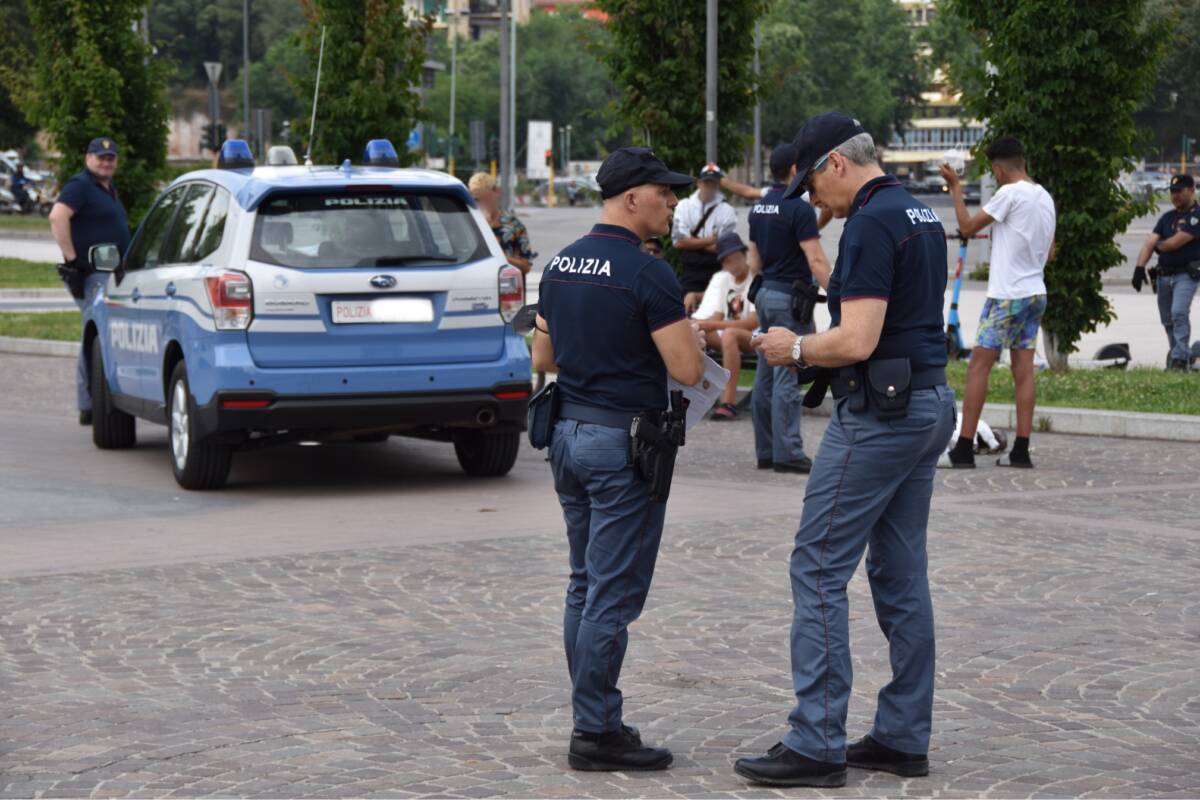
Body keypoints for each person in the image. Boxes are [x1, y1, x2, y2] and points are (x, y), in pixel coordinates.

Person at [735, 113, 955, 788]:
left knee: (819, 563)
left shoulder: (868, 224)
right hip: (926, 402)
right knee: (899, 571)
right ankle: (901, 734)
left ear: (836, 164)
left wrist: (792, 348)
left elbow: (857, 339)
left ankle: (817, 740)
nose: (811, 201)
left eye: (811, 183)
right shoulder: (919, 214)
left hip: (881, 415)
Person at [530, 146, 703, 772]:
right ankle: (595, 730)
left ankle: (595, 718)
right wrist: (689, 337)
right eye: (666, 192)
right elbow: (685, 368)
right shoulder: (646, 272)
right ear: (633, 197)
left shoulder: (560, 263)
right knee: (610, 593)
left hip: (569, 436)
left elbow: (544, 358)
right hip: (622, 445)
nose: (674, 202)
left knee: (583, 584)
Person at [940, 137, 1056, 469]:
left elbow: (966, 226)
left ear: (998, 169)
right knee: (1023, 370)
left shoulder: (1009, 193)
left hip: (1007, 294)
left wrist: (955, 188)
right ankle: (1021, 450)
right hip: (1036, 293)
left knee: (979, 366)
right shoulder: (1044, 197)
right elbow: (1049, 251)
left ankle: (963, 448)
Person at [748, 143, 834, 473]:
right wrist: (837, 294)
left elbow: (754, 259)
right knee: (789, 369)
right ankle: (789, 452)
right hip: (791, 298)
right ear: (795, 171)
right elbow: (815, 258)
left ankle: (766, 450)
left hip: (766, 292)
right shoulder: (797, 209)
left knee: (765, 375)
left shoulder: (760, 208)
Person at [49, 137, 131, 426]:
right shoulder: (80, 185)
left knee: (96, 335)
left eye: (110, 157)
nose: (106, 162)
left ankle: (93, 401)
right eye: (100, 157)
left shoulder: (106, 189)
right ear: (88, 158)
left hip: (109, 273)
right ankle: (89, 404)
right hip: (93, 273)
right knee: (94, 337)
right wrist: (73, 260)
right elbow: (58, 217)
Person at [1133, 173, 1199, 371]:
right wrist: (1139, 268)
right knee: (1168, 319)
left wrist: (1157, 245)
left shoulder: (1196, 216)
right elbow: (1149, 243)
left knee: (1179, 312)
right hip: (1164, 276)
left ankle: (1180, 358)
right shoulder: (1167, 217)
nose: (1175, 196)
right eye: (1172, 192)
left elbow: (1173, 243)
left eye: (1179, 191)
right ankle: (1176, 356)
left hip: (1185, 275)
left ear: (1191, 190)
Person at [694, 232, 759, 420]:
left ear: (744, 254)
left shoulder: (755, 278)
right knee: (694, 330)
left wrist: (712, 323)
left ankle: (728, 402)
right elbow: (718, 315)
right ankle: (695, 395)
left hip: (752, 337)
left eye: (736, 258)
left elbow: (753, 322)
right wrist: (701, 325)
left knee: (729, 333)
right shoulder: (725, 280)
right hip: (728, 336)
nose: (733, 265)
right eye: (728, 261)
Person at [672, 163, 737, 313]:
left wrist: (692, 242)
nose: (710, 187)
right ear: (699, 182)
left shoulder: (727, 211)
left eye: (713, 183)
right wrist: (711, 240)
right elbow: (679, 242)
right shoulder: (683, 206)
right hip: (690, 274)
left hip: (717, 272)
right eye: (707, 182)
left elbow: (725, 248)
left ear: (719, 185)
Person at [468, 172, 536, 274]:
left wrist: (500, 257)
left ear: (497, 192)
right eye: (477, 200)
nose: (482, 203)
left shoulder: (514, 225)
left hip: (507, 286)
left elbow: (526, 266)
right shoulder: (468, 224)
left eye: (486, 198)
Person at [723, 170, 834, 231]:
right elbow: (828, 207)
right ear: (793, 169)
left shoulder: (772, 192)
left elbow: (748, 192)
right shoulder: (801, 195)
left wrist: (723, 182)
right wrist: (816, 228)